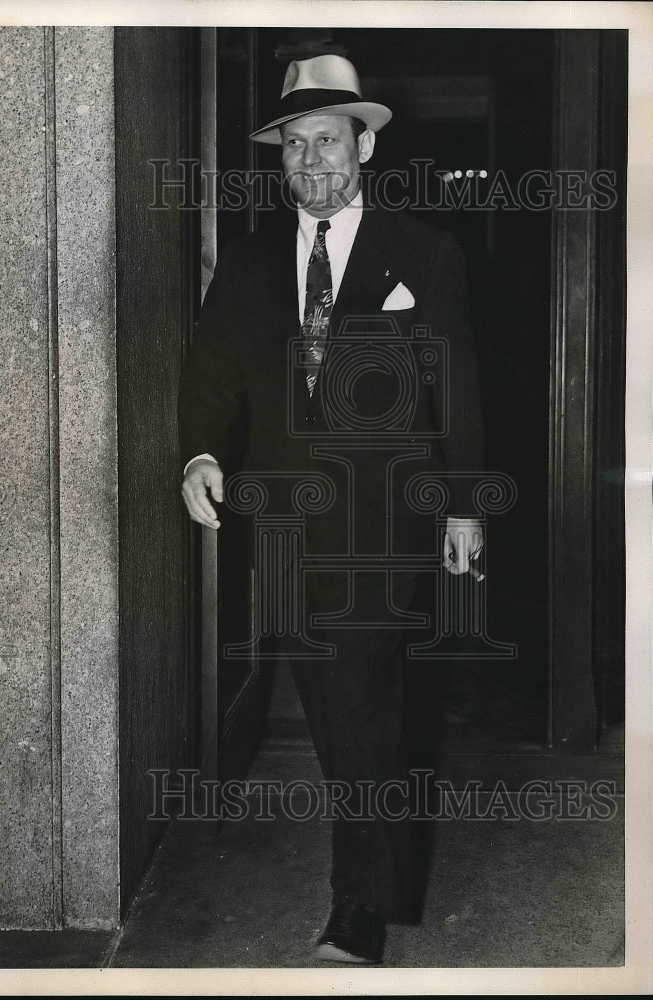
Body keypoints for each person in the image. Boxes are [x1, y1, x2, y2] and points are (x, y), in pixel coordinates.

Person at [178, 54, 484, 964]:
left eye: (329, 140)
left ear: (365, 144)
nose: (312, 161)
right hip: (281, 529)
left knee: (356, 709)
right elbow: (212, 371)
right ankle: (378, 880)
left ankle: (359, 910)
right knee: (339, 713)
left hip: (385, 527)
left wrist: (463, 509)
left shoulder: (422, 252)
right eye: (295, 145)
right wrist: (199, 451)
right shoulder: (251, 260)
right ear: (280, 158)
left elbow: (457, 390)